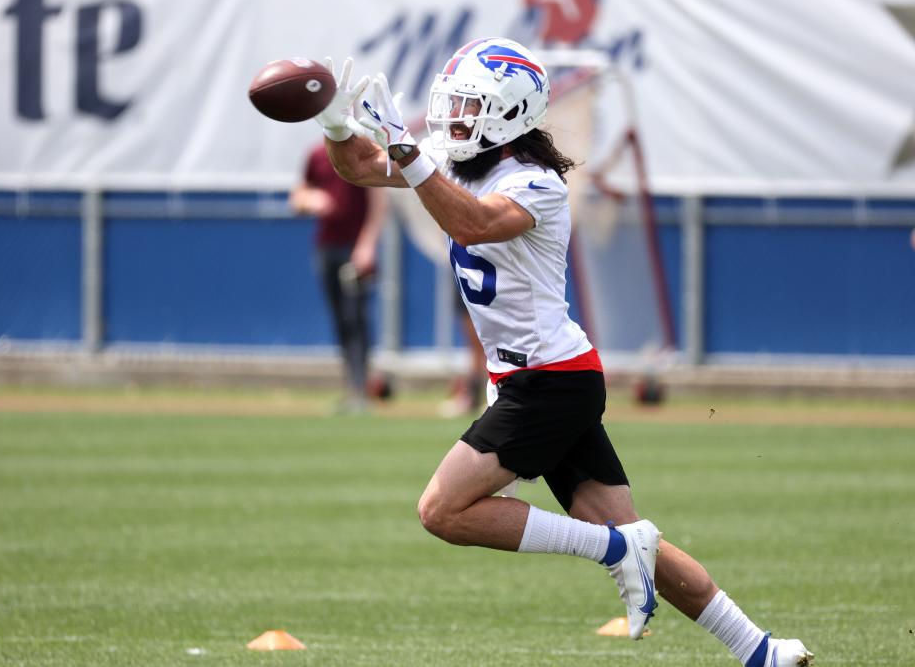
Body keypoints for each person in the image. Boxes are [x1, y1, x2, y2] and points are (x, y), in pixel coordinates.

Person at [311, 44, 814, 666]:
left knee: (442, 510)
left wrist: (409, 152)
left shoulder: (536, 183)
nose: (454, 120)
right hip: (543, 380)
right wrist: (336, 122)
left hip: (549, 383)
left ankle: (611, 553)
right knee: (637, 536)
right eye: (453, 106)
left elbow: (471, 222)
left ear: (509, 114)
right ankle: (760, 649)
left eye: (469, 107)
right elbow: (360, 166)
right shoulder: (452, 158)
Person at [290, 144, 387, 413]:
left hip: (354, 248)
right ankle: (352, 387)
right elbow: (298, 196)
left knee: (355, 317)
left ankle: (361, 390)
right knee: (340, 320)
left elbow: (378, 202)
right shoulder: (317, 155)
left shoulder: (361, 149)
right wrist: (311, 200)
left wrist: (367, 245)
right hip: (327, 247)